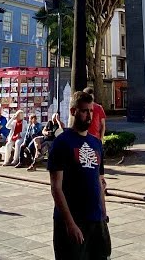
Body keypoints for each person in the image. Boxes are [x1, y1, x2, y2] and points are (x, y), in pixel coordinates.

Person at [48, 91, 110, 259]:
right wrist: (70, 224)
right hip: (72, 221)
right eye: (84, 111)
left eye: (91, 111)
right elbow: (56, 187)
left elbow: (99, 181)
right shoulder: (62, 143)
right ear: (73, 112)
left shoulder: (96, 143)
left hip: (96, 221)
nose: (88, 115)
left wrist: (103, 215)